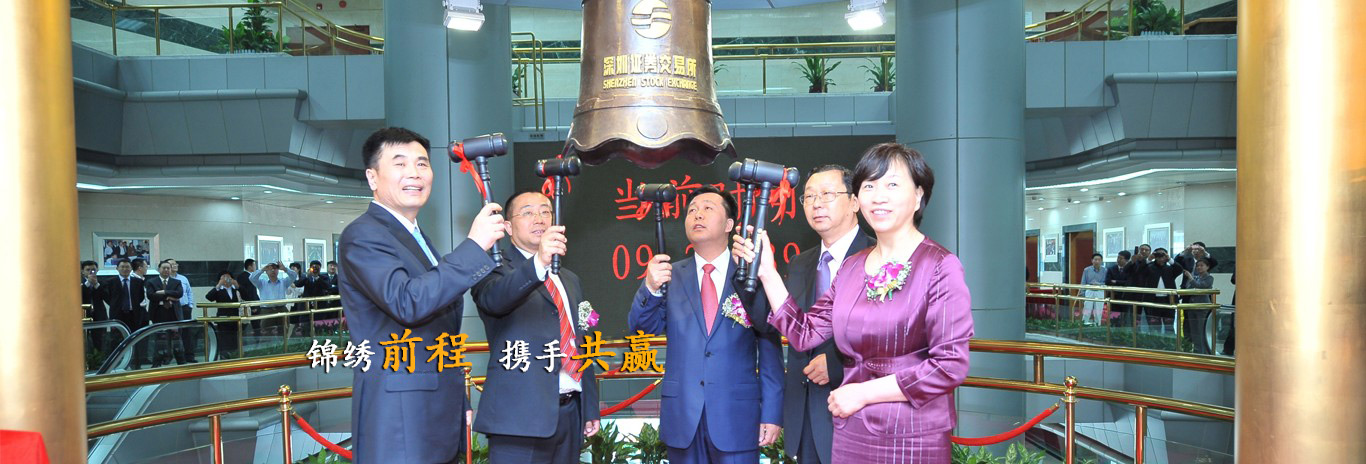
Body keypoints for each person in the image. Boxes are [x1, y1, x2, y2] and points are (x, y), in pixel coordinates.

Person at [735, 143, 973, 462]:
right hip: (852, 429)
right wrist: (767, 272)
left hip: (912, 433)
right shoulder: (852, 267)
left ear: (918, 195)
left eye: (892, 184)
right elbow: (804, 333)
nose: (878, 196)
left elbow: (949, 365)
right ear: (859, 199)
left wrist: (863, 393)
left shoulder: (939, 265)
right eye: (869, 186)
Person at [338, 126, 505, 463]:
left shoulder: (414, 235)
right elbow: (408, 302)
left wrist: (458, 399)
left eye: (422, 163)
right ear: (372, 177)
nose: (414, 173)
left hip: (432, 411)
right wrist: (474, 246)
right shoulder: (363, 235)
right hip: (399, 418)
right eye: (399, 163)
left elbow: (437, 327)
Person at [629, 185, 784, 464]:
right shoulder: (670, 275)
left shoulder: (750, 274)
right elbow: (642, 329)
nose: (697, 214)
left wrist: (772, 412)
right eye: (692, 210)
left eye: (707, 208)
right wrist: (650, 287)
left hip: (737, 417)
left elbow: (768, 342)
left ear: (729, 225)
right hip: (683, 418)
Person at [471, 189, 601, 464]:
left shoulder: (570, 279)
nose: (539, 219)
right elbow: (495, 300)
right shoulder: (492, 268)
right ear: (508, 227)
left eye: (545, 212)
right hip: (518, 421)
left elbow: (582, 340)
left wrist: (589, 406)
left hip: (569, 414)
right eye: (527, 212)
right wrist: (538, 263)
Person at [776, 164, 871, 464]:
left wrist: (838, 363)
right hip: (804, 416)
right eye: (809, 196)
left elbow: (894, 337)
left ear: (854, 202)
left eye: (827, 194)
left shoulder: (879, 257)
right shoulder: (800, 264)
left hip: (859, 418)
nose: (817, 203)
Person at [105, 258, 148, 368]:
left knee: (135, 340)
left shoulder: (138, 282)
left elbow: (140, 297)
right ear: (117, 268)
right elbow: (108, 298)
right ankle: (117, 366)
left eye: (127, 267)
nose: (125, 269)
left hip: (134, 315)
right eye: (122, 267)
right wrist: (116, 306)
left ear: (131, 268)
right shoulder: (111, 282)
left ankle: (136, 365)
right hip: (118, 316)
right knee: (117, 340)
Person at [144, 260, 186, 366]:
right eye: (164, 268)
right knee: (160, 339)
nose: (166, 270)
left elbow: (179, 293)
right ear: (159, 269)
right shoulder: (151, 282)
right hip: (159, 313)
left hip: (173, 313)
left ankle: (181, 362)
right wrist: (170, 297)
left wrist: (164, 292)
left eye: (168, 268)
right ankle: (157, 363)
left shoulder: (176, 282)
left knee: (176, 338)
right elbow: (151, 295)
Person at [251, 262, 299, 335]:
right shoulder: (262, 283)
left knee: (283, 333)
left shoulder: (283, 281)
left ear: (278, 270)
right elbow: (251, 278)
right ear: (266, 271)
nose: (273, 270)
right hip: (267, 311)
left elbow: (294, 275)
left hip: (282, 309)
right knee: (266, 334)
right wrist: (262, 269)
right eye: (270, 269)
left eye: (275, 268)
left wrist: (284, 269)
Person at [1180, 258, 1215, 354]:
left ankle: (1204, 352)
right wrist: (1191, 279)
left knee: (1201, 330)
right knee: (1193, 330)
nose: (1199, 267)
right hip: (1192, 306)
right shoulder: (1195, 277)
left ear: (1207, 267)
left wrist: (1190, 278)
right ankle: (1197, 350)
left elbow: (1200, 286)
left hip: (1202, 307)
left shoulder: (1209, 278)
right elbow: (1188, 288)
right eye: (1197, 266)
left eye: (1202, 265)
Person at [206, 271, 243, 359]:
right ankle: (224, 357)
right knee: (223, 339)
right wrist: (218, 285)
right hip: (223, 318)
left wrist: (237, 285)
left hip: (235, 318)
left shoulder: (235, 289)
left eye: (228, 277)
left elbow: (247, 295)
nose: (226, 279)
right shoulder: (219, 290)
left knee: (235, 339)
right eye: (224, 277)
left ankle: (235, 356)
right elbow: (209, 297)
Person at [167, 258, 197, 362]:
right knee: (170, 333)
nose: (175, 265)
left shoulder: (183, 278)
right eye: (172, 264)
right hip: (171, 309)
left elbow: (189, 292)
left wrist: (190, 305)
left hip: (184, 308)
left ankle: (189, 356)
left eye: (176, 263)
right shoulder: (166, 280)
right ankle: (168, 357)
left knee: (187, 333)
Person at [1105, 250, 1132, 326]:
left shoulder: (1130, 269)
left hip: (1125, 296)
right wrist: (1121, 282)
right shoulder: (1111, 269)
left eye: (1121, 258)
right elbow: (1107, 281)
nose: (1118, 260)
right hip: (1114, 296)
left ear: (1126, 260)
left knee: (1125, 318)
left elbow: (1128, 283)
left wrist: (1116, 281)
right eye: (1118, 257)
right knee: (1114, 317)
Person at [1080, 253, 1107, 326]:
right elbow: (1083, 282)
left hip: (1099, 290)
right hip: (1089, 289)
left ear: (1101, 261)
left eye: (1099, 260)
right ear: (1092, 260)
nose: (1097, 261)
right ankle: (1085, 323)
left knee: (1098, 309)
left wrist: (1099, 284)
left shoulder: (1105, 270)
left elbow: (1106, 282)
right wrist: (1082, 293)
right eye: (1095, 259)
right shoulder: (1087, 270)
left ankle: (1098, 324)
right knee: (1087, 308)